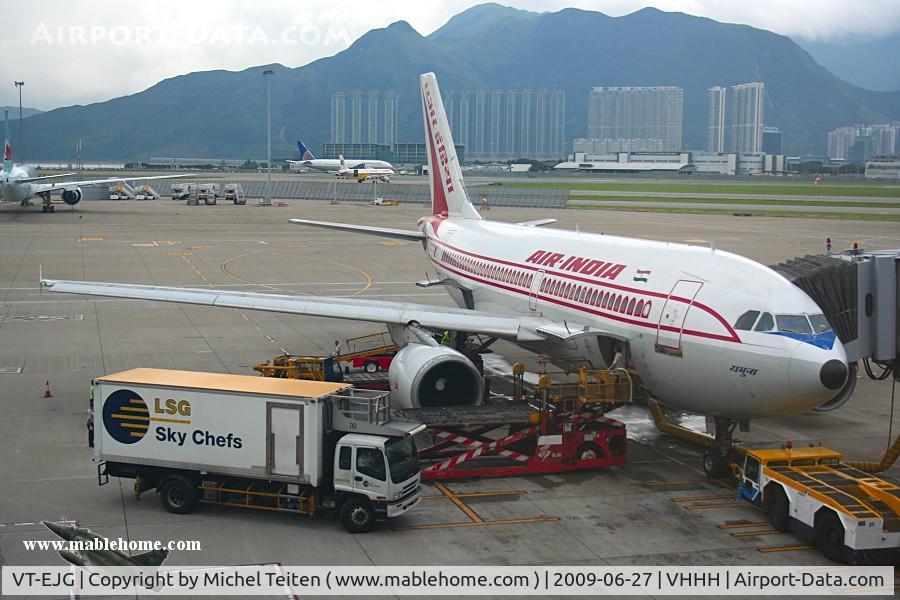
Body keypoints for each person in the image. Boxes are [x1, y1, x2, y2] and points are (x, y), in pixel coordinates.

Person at [87, 380, 95, 448]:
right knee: (91, 433)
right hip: (92, 399)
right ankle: (91, 444)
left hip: (91, 399)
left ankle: (92, 443)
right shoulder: (93, 388)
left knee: (92, 434)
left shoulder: (91, 387)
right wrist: (90, 426)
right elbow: (89, 419)